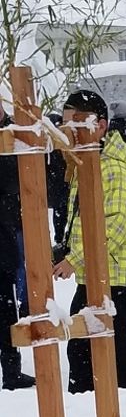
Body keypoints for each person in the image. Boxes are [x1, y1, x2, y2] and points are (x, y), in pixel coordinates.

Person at [53, 88, 126, 393]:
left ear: (99, 125)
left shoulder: (116, 169)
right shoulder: (88, 163)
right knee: (91, 347)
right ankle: (93, 401)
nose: (67, 132)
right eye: (65, 124)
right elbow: (79, 220)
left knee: (110, 348)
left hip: (112, 275)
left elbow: (116, 225)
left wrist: (75, 259)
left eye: (75, 124)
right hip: (94, 272)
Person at [0, 100, 34, 390]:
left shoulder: (11, 136)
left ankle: (11, 371)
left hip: (6, 237)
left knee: (5, 312)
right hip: (7, 233)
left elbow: (14, 183)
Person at [45, 111, 70, 247]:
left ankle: (59, 240)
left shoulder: (51, 145)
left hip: (57, 187)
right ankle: (60, 240)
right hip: (60, 186)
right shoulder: (60, 143)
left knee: (60, 214)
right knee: (62, 213)